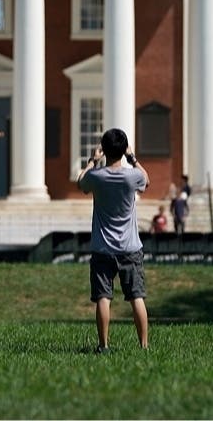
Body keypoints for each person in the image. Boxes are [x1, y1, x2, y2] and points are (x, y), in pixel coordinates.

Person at [77, 127, 150, 352]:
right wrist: (133, 158)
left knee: (103, 297)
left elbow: (80, 183)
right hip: (130, 246)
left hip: (103, 247)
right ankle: (143, 346)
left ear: (104, 150)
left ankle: (103, 345)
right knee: (136, 296)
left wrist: (92, 161)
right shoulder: (132, 176)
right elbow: (146, 181)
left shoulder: (96, 177)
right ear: (124, 149)